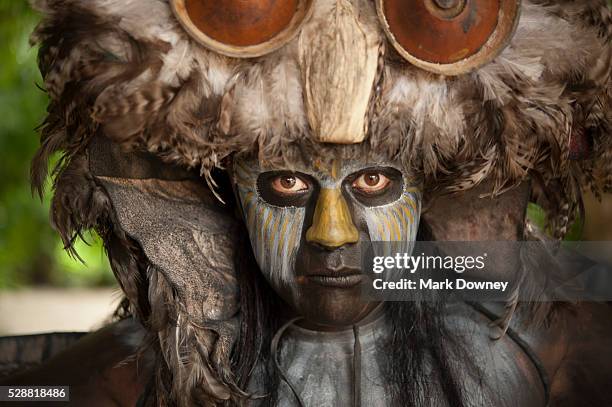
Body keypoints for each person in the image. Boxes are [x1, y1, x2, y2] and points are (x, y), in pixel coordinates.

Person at [1, 0, 611, 406]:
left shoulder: (541, 339)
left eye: (373, 183)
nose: (333, 234)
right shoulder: (148, 368)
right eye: (287, 185)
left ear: (429, 187)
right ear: (229, 195)